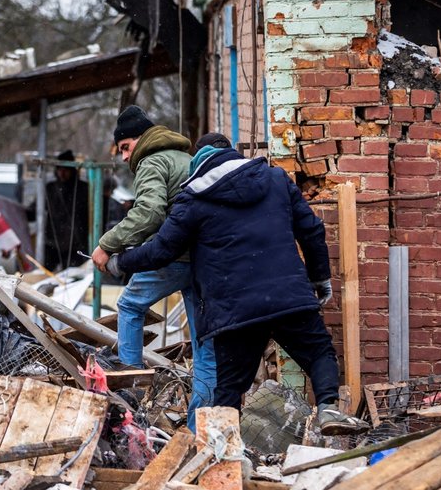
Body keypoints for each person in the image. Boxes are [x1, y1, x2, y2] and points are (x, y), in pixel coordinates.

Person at [105, 134, 369, 436]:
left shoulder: (193, 198)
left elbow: (162, 249)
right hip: (287, 296)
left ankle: (222, 456)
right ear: (230, 154)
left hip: (233, 311)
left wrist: (120, 262)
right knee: (319, 351)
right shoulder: (275, 180)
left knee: (229, 389)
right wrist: (320, 278)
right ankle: (328, 409)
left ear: (199, 162)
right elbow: (311, 229)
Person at [90, 105, 216, 432]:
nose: (122, 158)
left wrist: (107, 245)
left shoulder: (151, 161)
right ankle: (197, 431)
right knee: (204, 349)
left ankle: (130, 389)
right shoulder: (185, 159)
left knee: (129, 305)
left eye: (125, 148)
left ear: (141, 140)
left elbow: (149, 213)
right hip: (204, 259)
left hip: (175, 256)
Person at [44, 149, 90, 270]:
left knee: (73, 278)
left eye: (66, 169)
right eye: (59, 169)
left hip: (75, 243)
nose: (62, 173)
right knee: (46, 275)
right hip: (52, 242)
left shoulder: (83, 189)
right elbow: (35, 211)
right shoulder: (50, 188)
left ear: (72, 170)